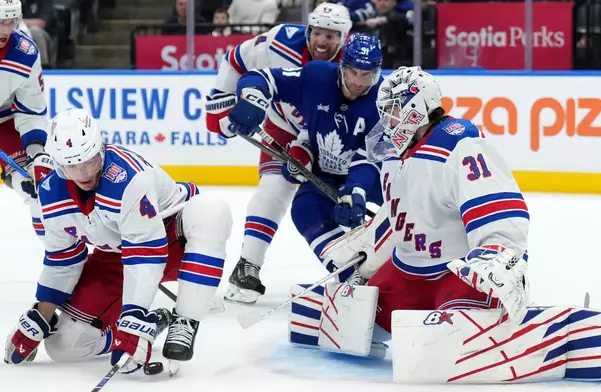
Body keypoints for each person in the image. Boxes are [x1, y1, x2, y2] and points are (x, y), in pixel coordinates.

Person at [284, 68, 601, 384]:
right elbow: (399, 215)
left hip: (455, 273)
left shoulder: (459, 145)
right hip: (408, 273)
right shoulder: (393, 156)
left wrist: (497, 254)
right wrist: (367, 255)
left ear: (415, 109)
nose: (385, 119)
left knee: (441, 351)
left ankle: (571, 332)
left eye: (391, 110)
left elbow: (499, 205)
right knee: (347, 321)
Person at [4, 109, 233, 374]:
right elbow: (63, 259)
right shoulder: (51, 192)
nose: (82, 173)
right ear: (57, 163)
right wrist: (40, 316)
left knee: (211, 210)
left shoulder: (129, 178)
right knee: (64, 346)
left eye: (89, 160)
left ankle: (185, 320)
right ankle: (139, 330)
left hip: (174, 238)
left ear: (100, 149)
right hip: (119, 255)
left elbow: (146, 252)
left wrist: (134, 315)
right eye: (71, 164)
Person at [205, 2, 352, 305]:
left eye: (332, 36)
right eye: (318, 32)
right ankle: (248, 266)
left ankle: (355, 264)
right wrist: (221, 101)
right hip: (281, 125)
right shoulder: (281, 40)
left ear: (344, 37)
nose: (322, 42)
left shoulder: (350, 69)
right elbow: (235, 60)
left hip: (329, 137)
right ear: (309, 30)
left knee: (331, 204)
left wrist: (306, 146)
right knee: (272, 189)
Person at [227, 33, 384, 286]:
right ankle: (350, 272)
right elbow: (262, 78)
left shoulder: (383, 98)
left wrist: (356, 189)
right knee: (305, 207)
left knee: (403, 210)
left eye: (367, 75)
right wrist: (253, 98)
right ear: (342, 66)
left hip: (376, 176)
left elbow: (372, 158)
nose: (358, 82)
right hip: (329, 175)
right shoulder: (316, 77)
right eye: (353, 72)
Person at [0, 0, 53, 239]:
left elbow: (31, 111)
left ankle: (60, 261)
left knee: (36, 192)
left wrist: (35, 155)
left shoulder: (24, 53)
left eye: (11, 21)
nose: (5, 30)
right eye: (0, 22)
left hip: (4, 122)